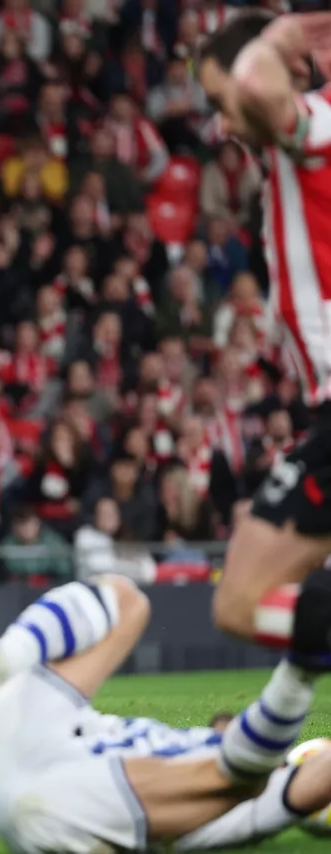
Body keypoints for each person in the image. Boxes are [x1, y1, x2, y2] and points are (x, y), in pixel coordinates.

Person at [0, 580, 331, 851]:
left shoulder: (264, 799)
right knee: (129, 602)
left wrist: (302, 668)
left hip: (58, 793)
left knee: (245, 777)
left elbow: (256, 770)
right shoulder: (188, 749)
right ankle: (1, 659)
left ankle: (3, 659)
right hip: (26, 766)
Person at [194, 9, 331, 669]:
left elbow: (254, 88)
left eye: (218, 100)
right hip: (325, 413)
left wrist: (277, 38)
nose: (222, 121)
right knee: (238, 603)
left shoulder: (316, 125)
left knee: (244, 602)